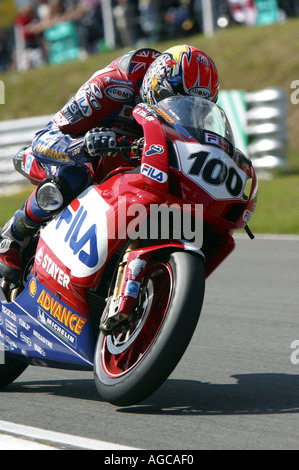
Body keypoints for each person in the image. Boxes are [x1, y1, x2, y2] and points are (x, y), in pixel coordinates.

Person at [0, 44, 219, 283]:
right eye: (178, 101)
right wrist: (83, 147)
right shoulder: (115, 84)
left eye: (196, 108)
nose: (186, 112)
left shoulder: (193, 118)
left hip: (130, 166)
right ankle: (14, 235)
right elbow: (44, 139)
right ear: (157, 84)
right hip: (79, 152)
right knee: (77, 175)